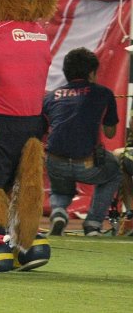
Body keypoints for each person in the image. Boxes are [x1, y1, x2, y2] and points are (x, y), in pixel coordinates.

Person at [43, 47, 122, 236]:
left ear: (66, 72)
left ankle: (59, 211)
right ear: (92, 73)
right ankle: (93, 223)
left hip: (55, 161)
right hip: (87, 164)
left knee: (60, 187)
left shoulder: (50, 97)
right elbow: (110, 133)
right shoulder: (103, 93)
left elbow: (42, 131)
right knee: (114, 172)